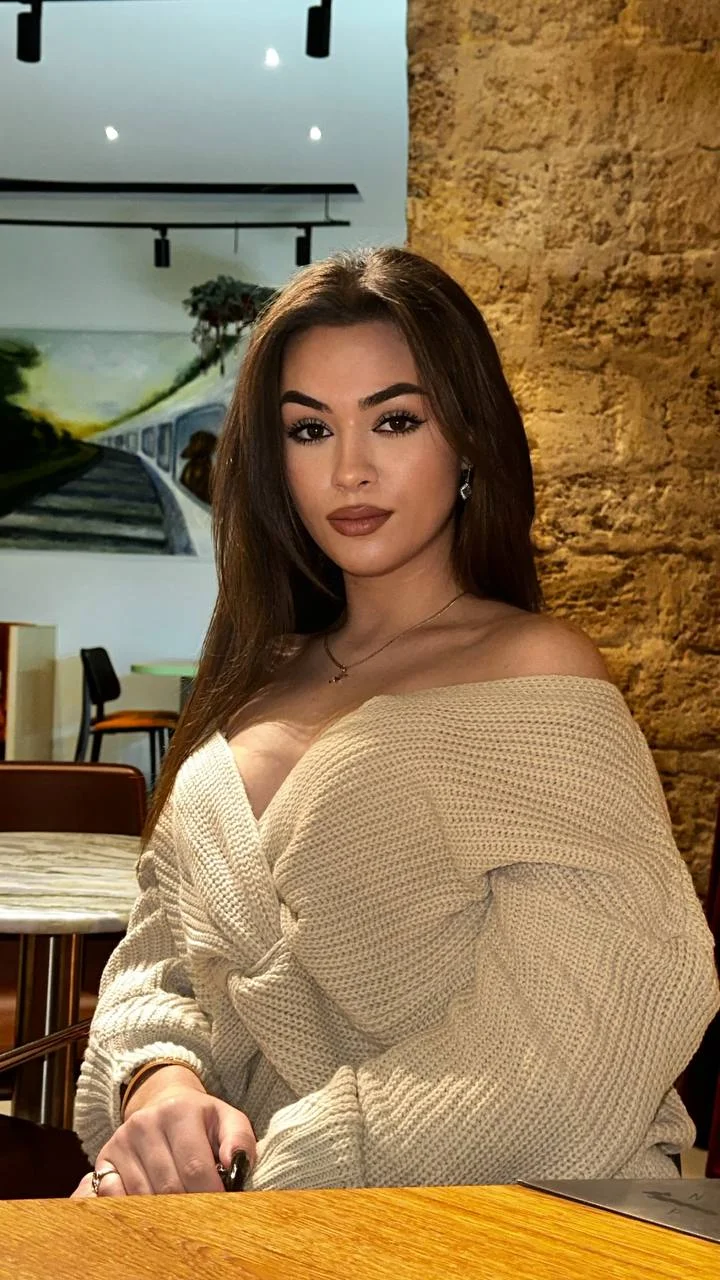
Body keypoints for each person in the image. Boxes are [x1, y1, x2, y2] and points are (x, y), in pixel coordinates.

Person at [72, 247, 719, 1198]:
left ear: (468, 440)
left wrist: (266, 1176)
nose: (350, 470)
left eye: (395, 420)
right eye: (309, 430)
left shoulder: (537, 670)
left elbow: (582, 1029)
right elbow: (157, 970)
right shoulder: (250, 681)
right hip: (227, 1218)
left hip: (498, 1223)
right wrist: (159, 1087)